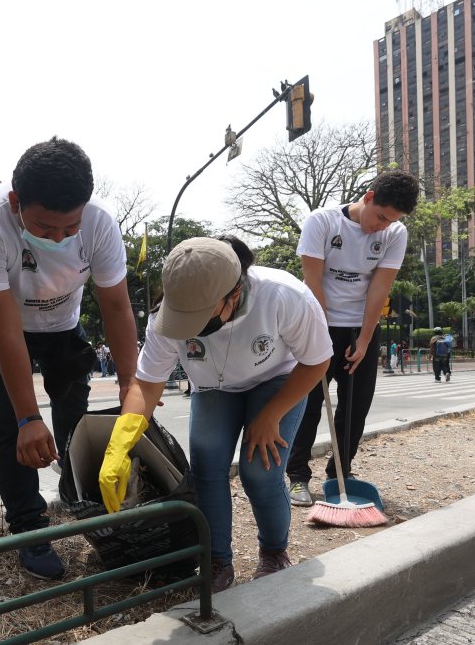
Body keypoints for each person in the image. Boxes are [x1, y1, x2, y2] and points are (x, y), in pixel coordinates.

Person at [99, 237, 331, 593]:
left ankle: (273, 552)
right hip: (212, 386)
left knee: (260, 470)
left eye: (200, 317)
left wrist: (271, 415)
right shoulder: (165, 316)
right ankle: (218, 560)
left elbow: (316, 360)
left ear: (233, 294)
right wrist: (121, 439)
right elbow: (145, 385)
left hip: (276, 380)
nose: (189, 327)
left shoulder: (283, 295)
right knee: (206, 468)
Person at [0, 136, 138, 581]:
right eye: (44, 227)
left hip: (62, 327)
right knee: (9, 426)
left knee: (76, 422)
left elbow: (115, 306)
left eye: (68, 228)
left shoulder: (99, 224)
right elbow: (6, 332)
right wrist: (26, 419)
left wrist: (132, 384)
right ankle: (29, 527)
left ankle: (85, 504)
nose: (58, 237)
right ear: (17, 202)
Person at [285, 169, 419, 507]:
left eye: (391, 221)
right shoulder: (322, 222)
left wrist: (364, 340)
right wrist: (322, 335)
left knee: (355, 406)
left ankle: (341, 472)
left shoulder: (394, 233)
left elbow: (379, 289)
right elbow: (313, 281)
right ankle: (297, 476)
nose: (382, 226)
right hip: (317, 322)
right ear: (369, 197)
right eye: (380, 217)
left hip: (360, 328)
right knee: (309, 404)